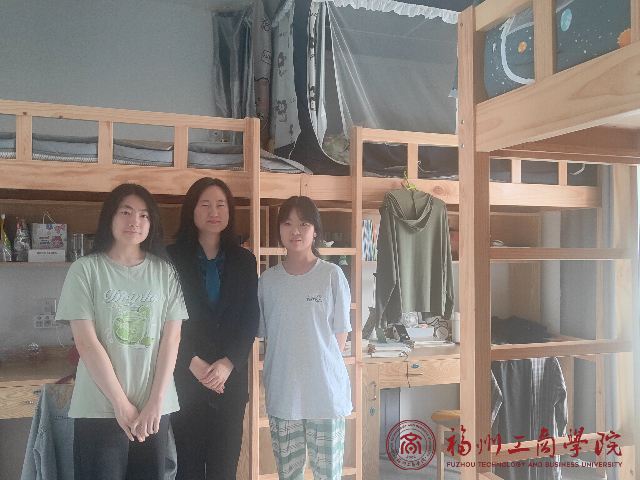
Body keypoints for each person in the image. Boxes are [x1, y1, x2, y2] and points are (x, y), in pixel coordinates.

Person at [55, 183, 187, 480]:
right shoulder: (85, 270)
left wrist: (156, 401)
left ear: (151, 224)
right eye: (126, 212)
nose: (135, 221)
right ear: (110, 217)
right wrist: (120, 403)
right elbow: (86, 343)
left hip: (154, 409)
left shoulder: (165, 272)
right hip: (100, 407)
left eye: (144, 215)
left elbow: (172, 339)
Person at [167, 177, 259, 480]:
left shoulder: (245, 260)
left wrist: (229, 362)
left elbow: (250, 318)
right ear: (191, 211)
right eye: (205, 204)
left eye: (221, 204)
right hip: (185, 380)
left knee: (224, 469)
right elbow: (164, 319)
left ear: (230, 211)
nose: (213, 211)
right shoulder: (170, 259)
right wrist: (191, 361)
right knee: (187, 468)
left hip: (229, 383)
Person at [258, 196, 352, 480]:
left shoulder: (332, 275)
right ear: (279, 230)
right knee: (289, 475)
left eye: (303, 223)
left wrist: (318, 369)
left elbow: (340, 334)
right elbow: (266, 336)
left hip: (325, 395)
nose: (295, 231)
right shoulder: (267, 281)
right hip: (284, 394)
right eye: (287, 223)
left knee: (328, 475)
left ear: (315, 230)